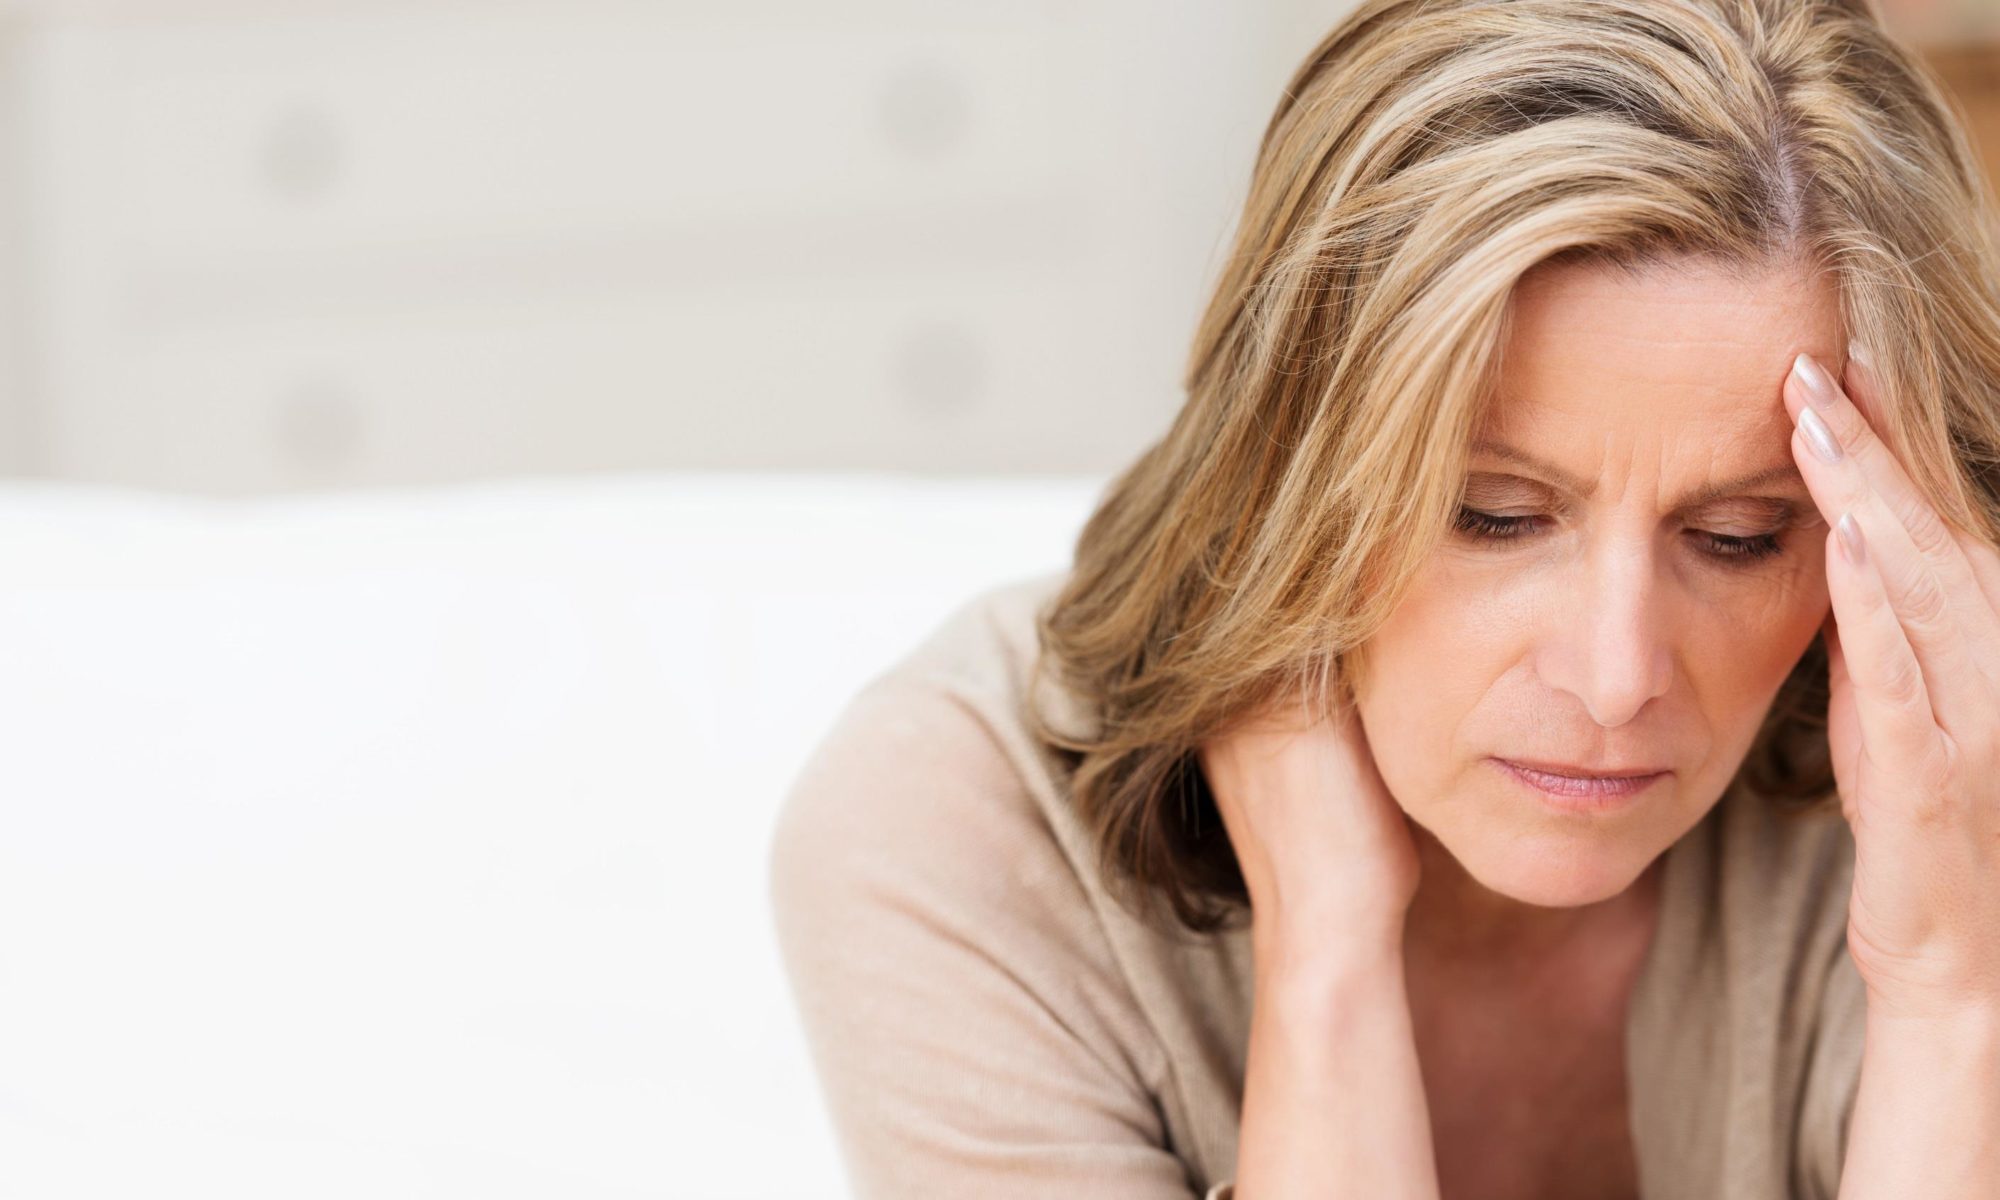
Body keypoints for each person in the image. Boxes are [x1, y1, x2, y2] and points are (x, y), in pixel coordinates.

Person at [768, 1, 2000, 1197]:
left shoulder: (1939, 787)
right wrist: (1325, 962)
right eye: (1493, 516)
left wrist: (1949, 994)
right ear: (1286, 478)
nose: (1616, 674)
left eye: (1736, 537)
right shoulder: (956, 838)